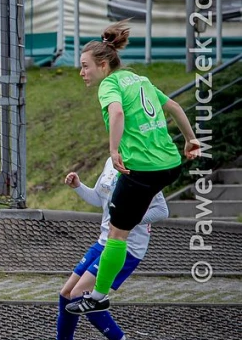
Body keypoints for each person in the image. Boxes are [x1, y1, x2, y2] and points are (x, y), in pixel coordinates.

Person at [64, 23, 200, 317]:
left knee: (116, 234)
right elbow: (175, 107)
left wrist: (114, 151)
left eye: (85, 66)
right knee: (122, 223)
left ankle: (97, 296)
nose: (81, 72)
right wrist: (190, 139)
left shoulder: (109, 85)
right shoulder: (140, 79)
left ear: (103, 65)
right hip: (170, 165)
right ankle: (101, 288)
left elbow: (117, 112)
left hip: (143, 170)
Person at [33, 158, 169, 340]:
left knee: (80, 294)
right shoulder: (110, 162)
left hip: (126, 247)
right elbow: (99, 198)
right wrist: (78, 186)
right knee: (66, 294)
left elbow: (162, 211)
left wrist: (129, 219)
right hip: (103, 242)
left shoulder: (141, 166)